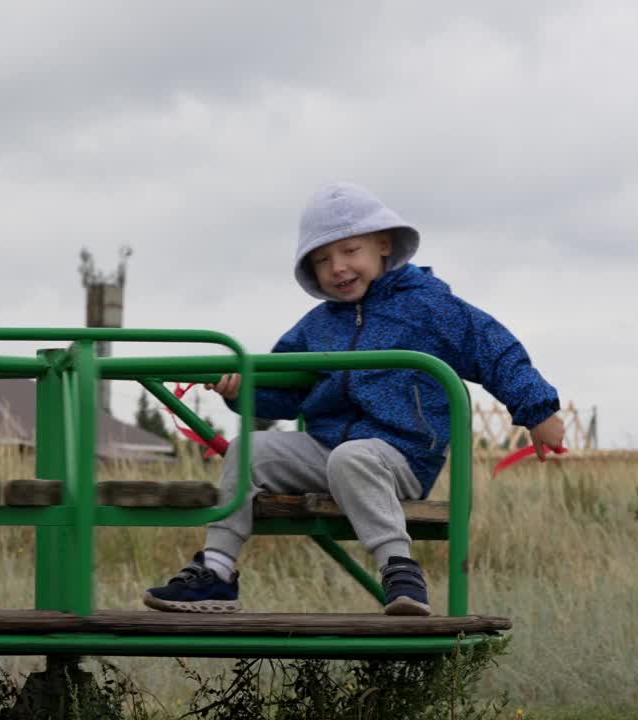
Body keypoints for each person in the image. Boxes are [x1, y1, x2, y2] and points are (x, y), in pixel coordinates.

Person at [143, 182, 564, 616]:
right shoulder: (318, 326)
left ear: (383, 245)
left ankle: (399, 571)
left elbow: (493, 349)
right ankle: (216, 572)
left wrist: (538, 410)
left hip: (398, 457)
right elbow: (284, 392)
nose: (337, 268)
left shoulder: (430, 309)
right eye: (322, 260)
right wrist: (242, 391)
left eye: (349, 252)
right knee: (250, 450)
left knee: (352, 458)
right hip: (326, 450)